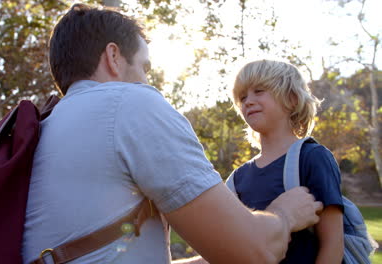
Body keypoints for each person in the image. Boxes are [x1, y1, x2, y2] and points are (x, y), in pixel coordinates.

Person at [21, 5, 323, 264]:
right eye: (145, 67)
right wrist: (285, 215)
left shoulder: (48, 125)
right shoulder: (131, 103)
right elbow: (252, 253)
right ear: (113, 57)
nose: (147, 80)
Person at [227, 59, 344, 263]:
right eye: (242, 97)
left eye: (259, 91)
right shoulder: (238, 177)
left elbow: (333, 244)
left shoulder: (312, 157)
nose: (248, 101)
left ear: (291, 99)